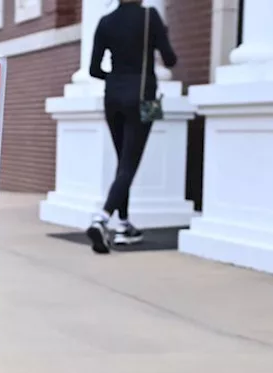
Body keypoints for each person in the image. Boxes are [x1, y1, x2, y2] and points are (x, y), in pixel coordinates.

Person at [85, 0, 177, 254]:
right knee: (129, 164)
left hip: (112, 96)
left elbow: (94, 69)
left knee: (122, 162)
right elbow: (170, 59)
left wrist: (116, 78)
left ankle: (124, 225)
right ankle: (102, 219)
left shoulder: (105, 22)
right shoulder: (150, 17)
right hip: (142, 97)